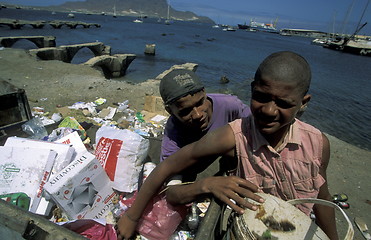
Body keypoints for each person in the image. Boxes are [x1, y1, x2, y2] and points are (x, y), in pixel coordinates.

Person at [117, 51, 338, 240]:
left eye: (283, 103)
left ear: (303, 103)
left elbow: (322, 198)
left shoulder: (318, 144)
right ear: (252, 90)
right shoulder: (228, 136)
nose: (269, 111)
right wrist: (132, 216)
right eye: (261, 97)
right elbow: (168, 176)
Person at [159, 69, 251, 203]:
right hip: (189, 169)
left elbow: (254, 128)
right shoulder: (173, 134)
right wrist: (203, 187)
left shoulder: (230, 105)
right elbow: (171, 186)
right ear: (170, 111)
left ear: (205, 93)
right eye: (185, 111)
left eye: (200, 103)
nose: (197, 115)